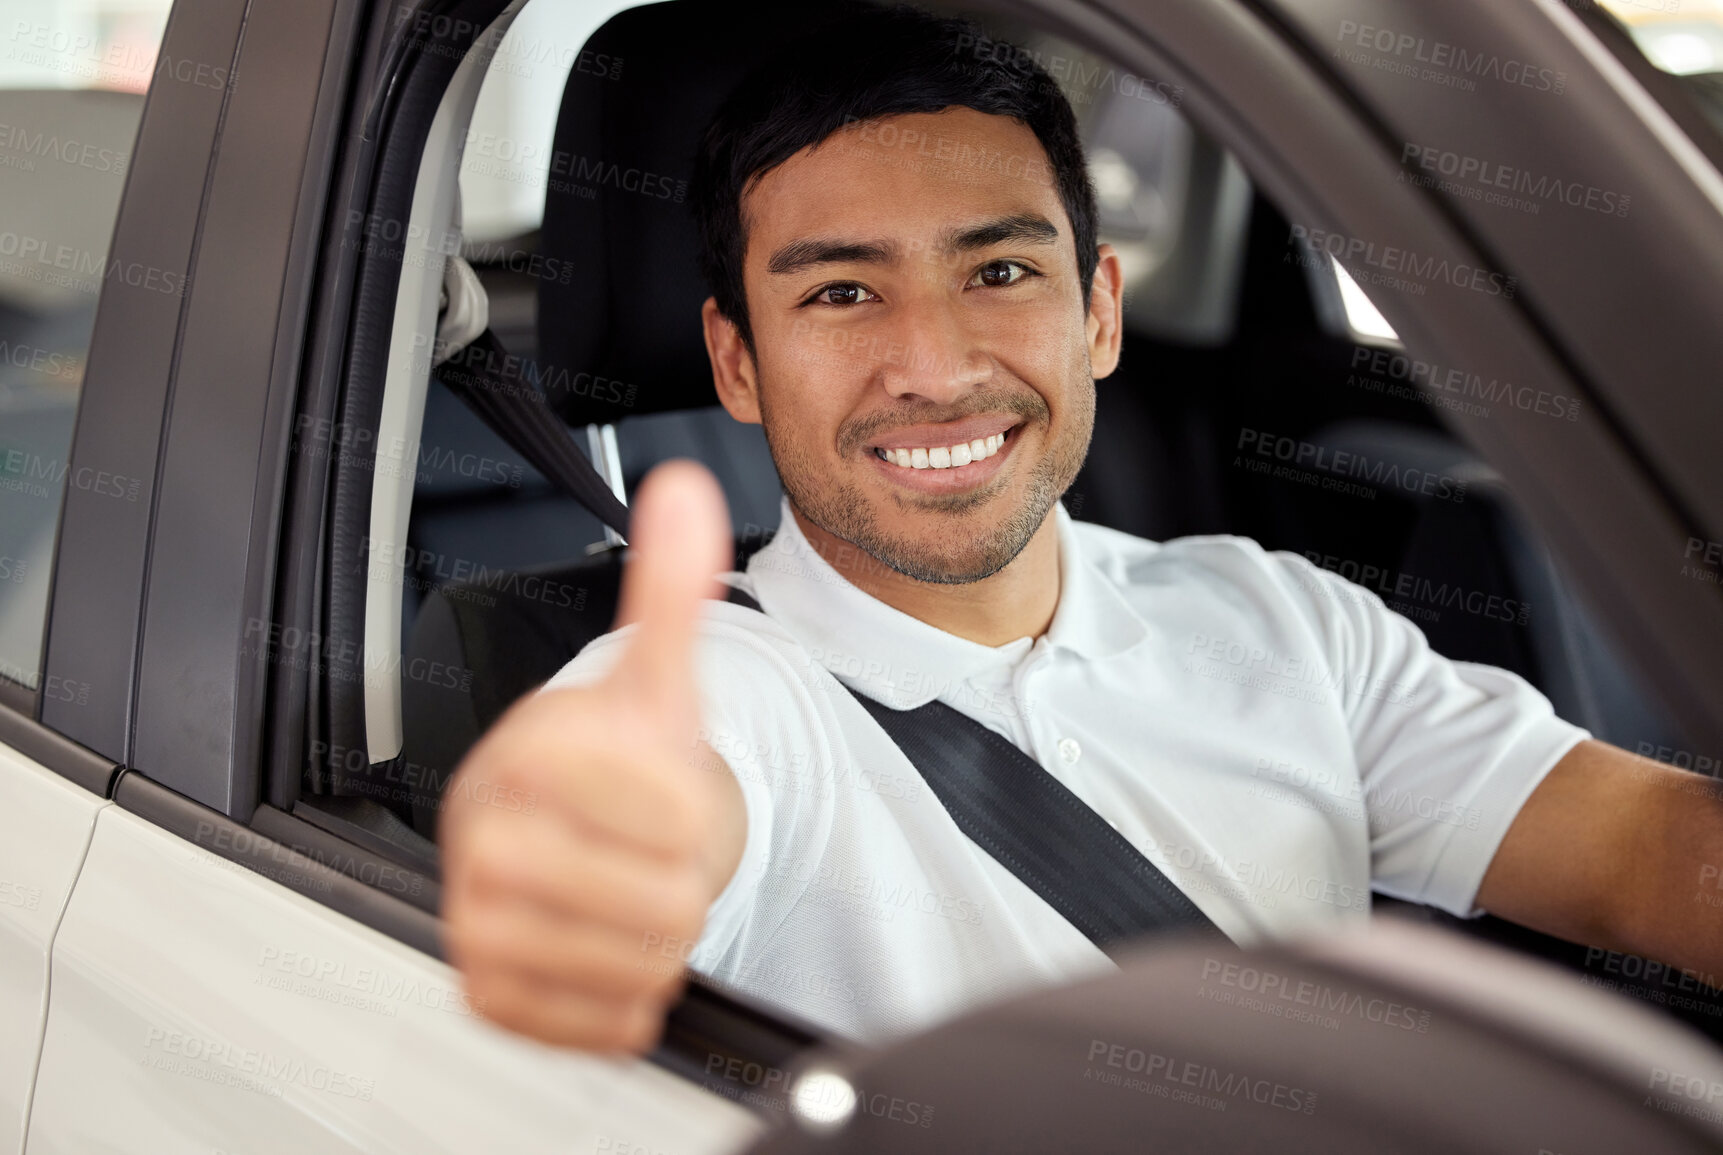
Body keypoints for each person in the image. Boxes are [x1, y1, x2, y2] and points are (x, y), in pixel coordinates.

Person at [438, 4, 1722, 1052]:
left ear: (1098, 311)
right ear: (737, 361)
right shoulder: (719, 695)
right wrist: (566, 854)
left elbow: (1642, 853)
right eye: (841, 292)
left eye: (999, 272)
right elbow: (614, 792)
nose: (933, 367)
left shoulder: (1283, 620)